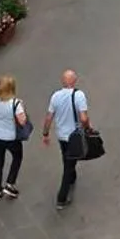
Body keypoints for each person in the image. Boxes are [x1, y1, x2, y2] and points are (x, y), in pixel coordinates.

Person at [42, 68, 92, 208]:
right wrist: (87, 127)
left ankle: (72, 177)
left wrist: (45, 133)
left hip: (61, 136)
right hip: (74, 136)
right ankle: (61, 198)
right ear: (74, 81)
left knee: (67, 158)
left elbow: (49, 117)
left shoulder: (55, 96)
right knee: (68, 166)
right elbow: (83, 118)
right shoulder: (79, 95)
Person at [0, 74, 28, 200]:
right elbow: (22, 121)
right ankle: (10, 183)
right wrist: (22, 108)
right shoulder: (15, 103)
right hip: (10, 138)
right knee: (17, 157)